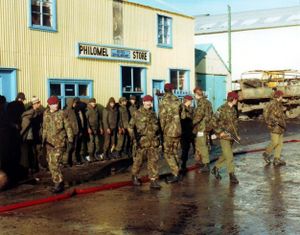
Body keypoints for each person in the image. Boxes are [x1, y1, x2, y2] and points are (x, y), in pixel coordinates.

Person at [129, 95, 161, 189]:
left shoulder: (153, 114)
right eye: (147, 101)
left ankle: (153, 180)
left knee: (153, 161)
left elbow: (157, 128)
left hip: (153, 142)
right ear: (143, 102)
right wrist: (134, 139)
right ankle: (134, 176)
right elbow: (130, 127)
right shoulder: (137, 113)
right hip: (141, 142)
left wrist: (158, 139)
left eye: (150, 102)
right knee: (138, 161)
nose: (149, 103)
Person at [42, 96, 74, 193]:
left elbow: (68, 127)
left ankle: (58, 183)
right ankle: (58, 181)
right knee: (50, 163)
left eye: (57, 103)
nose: (56, 105)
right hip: (49, 143)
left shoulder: (62, 113)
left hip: (59, 143)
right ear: (49, 105)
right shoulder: (46, 114)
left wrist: (70, 139)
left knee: (54, 163)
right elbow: (44, 128)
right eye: (53, 104)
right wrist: (43, 141)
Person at [211, 91, 240, 184]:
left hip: (232, 136)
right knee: (230, 156)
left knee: (226, 155)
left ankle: (215, 168)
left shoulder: (234, 109)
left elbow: (235, 123)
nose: (237, 101)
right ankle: (232, 175)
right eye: (236, 99)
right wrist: (220, 132)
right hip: (224, 137)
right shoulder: (221, 109)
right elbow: (213, 121)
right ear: (232, 99)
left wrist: (237, 134)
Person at [159, 83, 182, 183]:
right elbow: (183, 114)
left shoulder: (163, 101)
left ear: (164, 90)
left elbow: (162, 117)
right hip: (178, 129)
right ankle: (176, 172)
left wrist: (161, 129)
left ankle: (175, 172)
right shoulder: (177, 100)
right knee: (175, 151)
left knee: (168, 153)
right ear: (172, 90)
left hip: (168, 130)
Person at [20, 96, 45, 173]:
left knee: (35, 152)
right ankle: (31, 167)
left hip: (34, 135)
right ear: (34, 104)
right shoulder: (31, 113)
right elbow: (25, 126)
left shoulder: (37, 112)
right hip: (29, 136)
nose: (39, 104)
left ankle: (35, 166)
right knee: (30, 152)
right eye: (38, 103)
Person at [262, 90, 287, 166]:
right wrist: (271, 123)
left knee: (280, 143)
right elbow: (266, 114)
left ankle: (276, 159)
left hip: (281, 126)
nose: (282, 97)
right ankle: (266, 153)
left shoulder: (279, 104)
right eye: (281, 96)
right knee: (275, 142)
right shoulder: (272, 104)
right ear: (278, 96)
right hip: (275, 126)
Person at [193, 87, 213, 173]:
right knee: (205, 144)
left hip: (202, 127)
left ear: (196, 94)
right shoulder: (208, 102)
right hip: (207, 126)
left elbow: (199, 116)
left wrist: (191, 123)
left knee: (202, 145)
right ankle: (204, 162)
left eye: (194, 94)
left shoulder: (201, 103)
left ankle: (206, 165)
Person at [64, 98, 81, 166]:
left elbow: (76, 122)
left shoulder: (74, 110)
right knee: (69, 148)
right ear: (70, 103)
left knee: (74, 147)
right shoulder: (66, 111)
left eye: (75, 103)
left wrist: (78, 130)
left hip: (75, 132)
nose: (75, 104)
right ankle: (66, 162)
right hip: (69, 133)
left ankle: (73, 161)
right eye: (74, 103)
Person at [86, 98, 103, 162]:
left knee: (97, 142)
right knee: (91, 142)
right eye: (93, 102)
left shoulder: (96, 110)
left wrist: (101, 127)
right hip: (90, 129)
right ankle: (91, 155)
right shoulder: (87, 110)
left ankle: (96, 154)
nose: (94, 103)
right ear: (90, 103)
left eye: (94, 102)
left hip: (96, 128)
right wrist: (88, 128)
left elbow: (99, 120)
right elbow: (86, 120)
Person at [180, 95, 194, 172]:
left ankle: (184, 164)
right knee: (184, 148)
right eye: (190, 100)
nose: (191, 102)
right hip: (183, 131)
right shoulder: (181, 108)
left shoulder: (190, 109)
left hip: (190, 131)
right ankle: (183, 165)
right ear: (187, 100)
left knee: (187, 148)